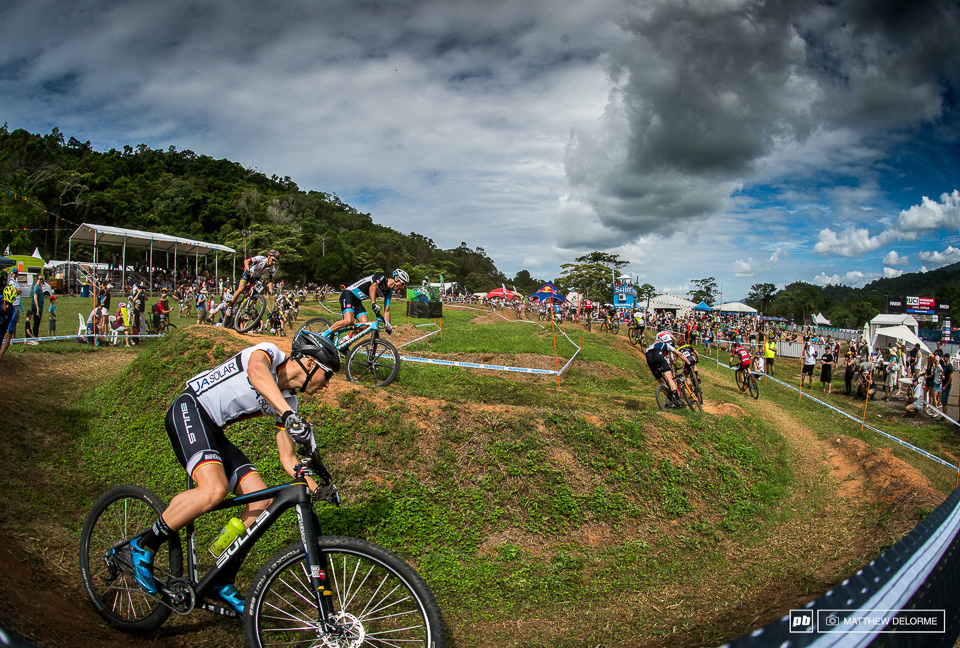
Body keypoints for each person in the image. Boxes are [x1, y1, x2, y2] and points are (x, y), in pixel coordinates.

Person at [125, 331, 341, 613]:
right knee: (213, 490)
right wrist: (288, 416)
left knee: (261, 501)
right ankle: (143, 545)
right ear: (311, 364)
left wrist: (315, 486)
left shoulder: (289, 402)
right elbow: (256, 373)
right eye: (329, 376)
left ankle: (220, 578)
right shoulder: (269, 354)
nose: (327, 386)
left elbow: (287, 459)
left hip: (213, 430)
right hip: (190, 409)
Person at [325, 269, 407, 338]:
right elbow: (373, 287)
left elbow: (387, 310)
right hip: (349, 294)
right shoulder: (382, 278)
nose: (403, 287)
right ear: (396, 278)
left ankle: (345, 341)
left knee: (365, 325)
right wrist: (373, 303)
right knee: (348, 320)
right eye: (402, 283)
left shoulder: (389, 292)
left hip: (357, 300)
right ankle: (323, 336)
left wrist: (388, 325)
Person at [228, 250, 280, 316]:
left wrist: (270, 289)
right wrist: (247, 269)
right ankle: (230, 306)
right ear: (269, 256)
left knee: (255, 294)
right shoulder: (261, 259)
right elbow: (246, 261)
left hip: (255, 278)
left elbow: (270, 280)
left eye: (276, 261)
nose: (274, 262)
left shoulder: (272, 269)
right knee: (241, 288)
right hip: (248, 274)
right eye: (273, 260)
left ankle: (247, 310)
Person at [645, 330, 690, 407]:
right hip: (658, 355)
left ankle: (671, 401)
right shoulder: (665, 345)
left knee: (662, 382)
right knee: (669, 378)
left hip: (648, 357)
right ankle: (678, 400)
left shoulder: (650, 346)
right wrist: (688, 363)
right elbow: (679, 354)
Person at [0, 285, 21, 363]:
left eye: (10, 304)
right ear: (3, 299)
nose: (8, 306)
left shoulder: (12, 314)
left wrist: (0, 355)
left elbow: (8, 339)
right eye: (7, 303)